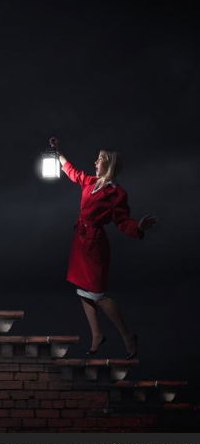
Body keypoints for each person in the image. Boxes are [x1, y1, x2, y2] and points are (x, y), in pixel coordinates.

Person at [49, 137, 157, 359]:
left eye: (99, 159)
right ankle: (97, 335)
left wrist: (138, 227)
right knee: (82, 290)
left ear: (109, 164)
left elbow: (122, 221)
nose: (95, 162)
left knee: (98, 294)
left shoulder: (117, 194)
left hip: (95, 244)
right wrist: (58, 152)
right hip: (80, 240)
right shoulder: (89, 182)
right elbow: (71, 171)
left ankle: (127, 335)